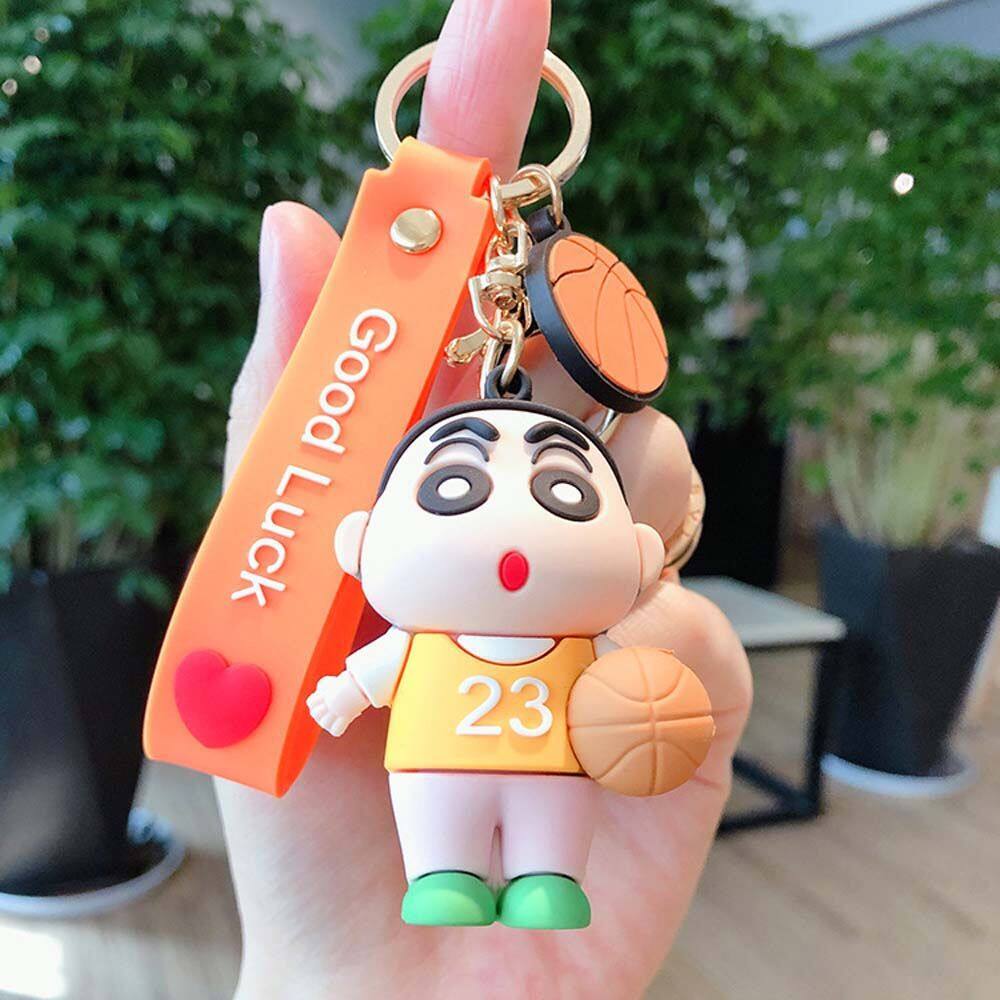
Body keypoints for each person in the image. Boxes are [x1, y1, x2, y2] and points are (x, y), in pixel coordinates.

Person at [219, 0, 751, 994]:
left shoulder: (588, 635)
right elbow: (377, 670)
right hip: (431, 767)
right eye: (456, 489)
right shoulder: (420, 637)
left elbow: (620, 688)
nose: (509, 540)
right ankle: (446, 881)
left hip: (551, 767)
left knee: (551, 831)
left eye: (563, 493)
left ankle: (547, 880)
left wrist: (645, 698)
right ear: (360, 543)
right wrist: (342, 690)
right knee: (442, 831)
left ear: (639, 554)